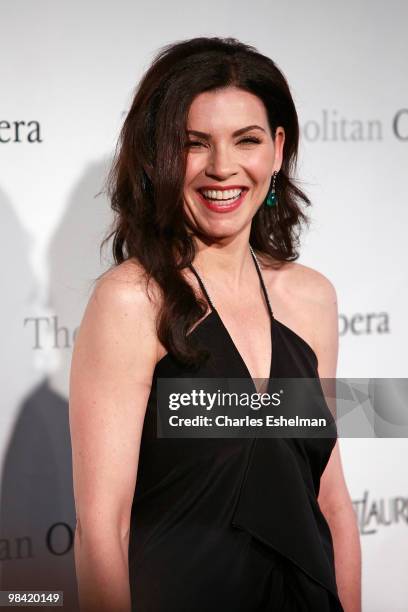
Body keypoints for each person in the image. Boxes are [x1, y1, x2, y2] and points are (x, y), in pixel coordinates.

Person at [69, 36, 361, 612]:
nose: (222, 167)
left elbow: (331, 505)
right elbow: (104, 529)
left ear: (277, 150)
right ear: (159, 155)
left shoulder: (312, 298)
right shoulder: (134, 300)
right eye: (194, 144)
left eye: (246, 140)